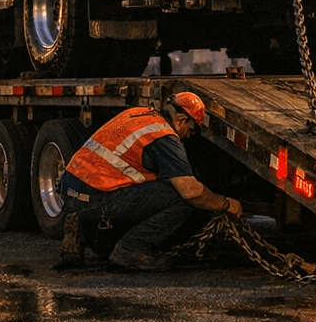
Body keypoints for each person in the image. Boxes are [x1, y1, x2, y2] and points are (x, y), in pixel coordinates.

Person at [58, 90, 242, 270]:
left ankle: (83, 225)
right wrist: (225, 204)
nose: (188, 136)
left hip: (71, 193)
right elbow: (190, 191)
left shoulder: (136, 114)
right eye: (191, 129)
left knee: (148, 193)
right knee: (181, 197)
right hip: (97, 197)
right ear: (181, 120)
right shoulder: (164, 136)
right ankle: (132, 249)